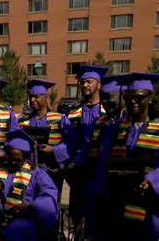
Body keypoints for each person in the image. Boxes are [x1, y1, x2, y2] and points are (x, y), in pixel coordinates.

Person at [101, 73, 159, 240]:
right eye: (129, 97)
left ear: (150, 98)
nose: (133, 101)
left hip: (149, 202)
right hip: (121, 197)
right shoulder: (119, 127)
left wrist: (152, 180)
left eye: (139, 97)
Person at [0, 130, 59, 241]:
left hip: (23, 228)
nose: (13, 162)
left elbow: (49, 196)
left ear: (25, 158)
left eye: (17, 160)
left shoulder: (36, 174)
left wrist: (31, 206)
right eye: (10, 158)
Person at [65, 65, 108, 240]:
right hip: (79, 169)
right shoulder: (73, 112)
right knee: (77, 212)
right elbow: (68, 140)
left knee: (98, 210)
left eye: (89, 82)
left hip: (100, 168)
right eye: (82, 82)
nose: (84, 85)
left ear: (98, 84)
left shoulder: (108, 111)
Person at [81, 75, 126, 239]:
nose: (105, 102)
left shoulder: (128, 123)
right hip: (97, 183)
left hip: (118, 186)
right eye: (103, 98)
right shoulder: (101, 122)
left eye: (109, 98)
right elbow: (90, 151)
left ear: (122, 96)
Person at [18, 79, 73, 190]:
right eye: (31, 97)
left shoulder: (59, 119)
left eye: (37, 97)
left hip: (51, 170)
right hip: (28, 170)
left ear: (46, 98)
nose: (33, 100)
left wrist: (54, 150)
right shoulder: (23, 122)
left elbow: (70, 142)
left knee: (50, 203)